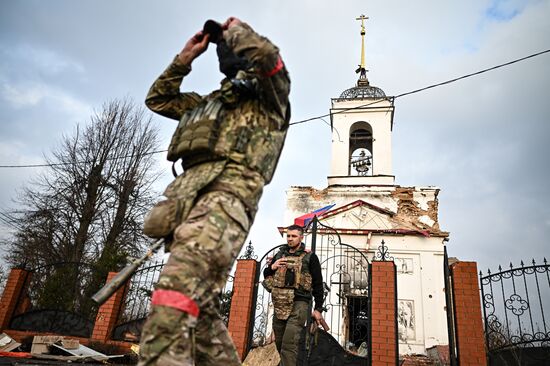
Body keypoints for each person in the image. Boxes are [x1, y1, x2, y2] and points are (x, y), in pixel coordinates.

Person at [138, 17, 291, 366]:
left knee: (174, 295)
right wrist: (185, 58)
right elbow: (158, 99)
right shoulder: (205, 103)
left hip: (227, 202)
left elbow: (267, 56)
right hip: (187, 205)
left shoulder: (270, 95)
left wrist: (237, 31)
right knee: (201, 312)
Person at [263, 224, 325, 366]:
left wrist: (318, 308)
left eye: (294, 236)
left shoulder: (310, 257)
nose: (290, 239)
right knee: (279, 342)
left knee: (289, 344)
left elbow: (317, 284)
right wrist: (272, 267)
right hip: (280, 304)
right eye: (288, 236)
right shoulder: (279, 255)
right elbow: (267, 275)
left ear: (301, 237)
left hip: (299, 303)